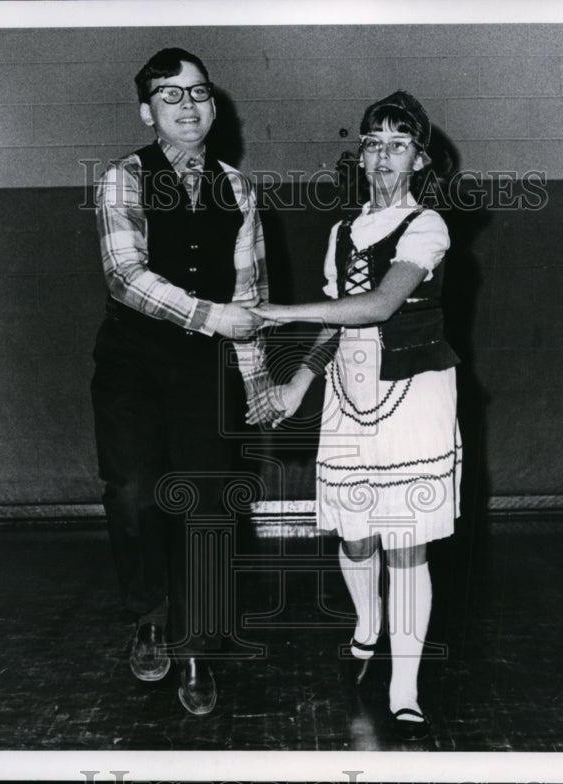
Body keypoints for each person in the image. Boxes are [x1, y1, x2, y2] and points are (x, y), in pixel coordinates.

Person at [247, 91, 461, 741]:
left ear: (420, 159)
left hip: (414, 391)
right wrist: (298, 384)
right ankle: (366, 624)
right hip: (349, 392)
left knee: (405, 544)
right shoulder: (342, 232)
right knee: (355, 534)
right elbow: (338, 325)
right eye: (373, 142)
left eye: (399, 143)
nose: (383, 155)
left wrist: (279, 312)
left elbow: (377, 306)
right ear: (360, 153)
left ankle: (405, 684)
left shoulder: (428, 225)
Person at [90, 47, 271, 716]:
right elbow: (124, 276)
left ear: (214, 106)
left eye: (199, 93)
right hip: (132, 365)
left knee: (207, 508)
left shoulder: (239, 187)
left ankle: (196, 646)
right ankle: (150, 619)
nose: (189, 106)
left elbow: (251, 291)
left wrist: (256, 385)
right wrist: (208, 314)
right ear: (147, 111)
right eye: (172, 96)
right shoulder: (123, 178)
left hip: (206, 368)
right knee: (136, 494)